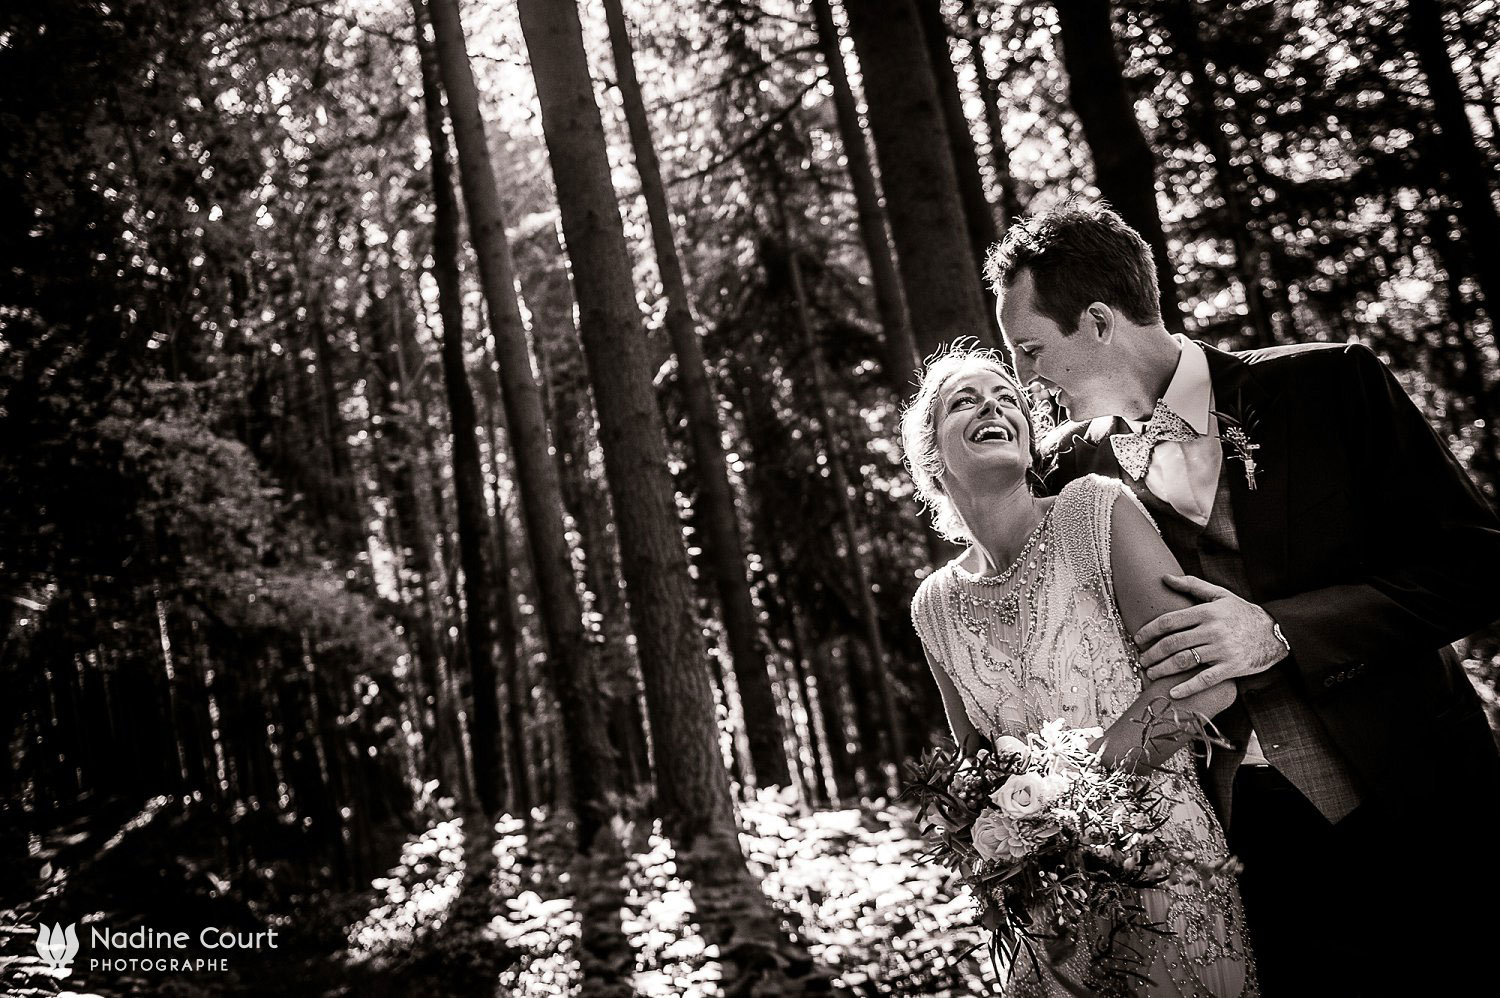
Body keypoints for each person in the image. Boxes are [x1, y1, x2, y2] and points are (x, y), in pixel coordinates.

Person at [986, 198, 1500, 995]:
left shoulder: (1328, 384)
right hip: (1230, 842)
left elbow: (1477, 565)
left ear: (1097, 321)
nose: (1025, 381)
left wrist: (1280, 630)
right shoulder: (1068, 474)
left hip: (1415, 800)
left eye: (1029, 349)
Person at [904, 346, 1257, 997]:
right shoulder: (933, 606)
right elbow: (977, 760)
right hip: (1044, 903)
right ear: (931, 458)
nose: (994, 405)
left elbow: (1205, 681)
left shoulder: (1093, 513)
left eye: (1007, 397)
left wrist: (1071, 788)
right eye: (965, 401)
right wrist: (983, 832)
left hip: (1161, 866)